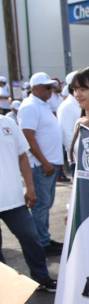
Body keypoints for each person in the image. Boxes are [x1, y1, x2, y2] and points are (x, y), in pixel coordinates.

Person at [0, 113, 57, 292]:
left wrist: (30, 187)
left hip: (14, 199)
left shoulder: (7, 122)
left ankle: (41, 278)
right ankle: (5, 288)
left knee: (31, 238)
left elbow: (23, 156)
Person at [18, 72, 65, 256]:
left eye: (51, 87)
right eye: (47, 87)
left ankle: (43, 238)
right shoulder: (30, 106)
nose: (50, 90)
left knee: (45, 204)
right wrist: (44, 162)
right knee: (41, 205)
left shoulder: (42, 105)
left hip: (49, 163)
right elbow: (27, 137)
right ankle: (41, 244)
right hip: (40, 165)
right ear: (35, 88)